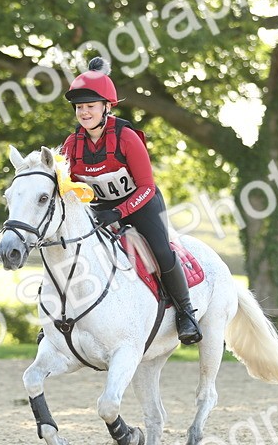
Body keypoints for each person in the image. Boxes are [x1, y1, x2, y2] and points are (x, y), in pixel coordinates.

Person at [60, 57, 202, 345]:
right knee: (71, 255)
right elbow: (67, 188)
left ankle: (186, 313)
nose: (84, 112)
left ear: (106, 107)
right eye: (79, 108)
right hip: (100, 209)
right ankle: (58, 320)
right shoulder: (71, 145)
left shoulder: (126, 137)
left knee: (161, 251)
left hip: (140, 203)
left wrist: (118, 211)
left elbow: (147, 186)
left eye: (90, 106)